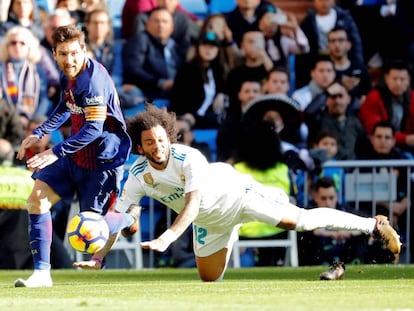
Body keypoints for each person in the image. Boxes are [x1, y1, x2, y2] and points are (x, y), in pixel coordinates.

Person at [74, 104, 401, 282]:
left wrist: (168, 237)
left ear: (168, 138)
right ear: (141, 147)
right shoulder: (138, 176)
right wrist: (100, 256)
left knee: (297, 222)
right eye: (149, 143)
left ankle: (373, 224)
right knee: (209, 279)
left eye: (161, 140)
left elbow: (192, 203)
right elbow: (117, 218)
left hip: (236, 195)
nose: (157, 146)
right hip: (210, 221)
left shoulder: (188, 158)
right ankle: (232, 230)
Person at [13, 24, 137, 288]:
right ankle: (42, 274)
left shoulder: (93, 82)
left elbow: (94, 129)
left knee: (94, 226)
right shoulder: (67, 76)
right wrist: (39, 132)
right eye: (62, 54)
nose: (68, 60)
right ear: (54, 54)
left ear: (83, 50)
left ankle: (128, 218)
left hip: (102, 162)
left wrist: (54, 151)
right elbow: (65, 106)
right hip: (74, 154)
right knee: (36, 201)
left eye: (73, 53)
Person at [122, 7, 187, 103]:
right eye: (156, 21)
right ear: (147, 25)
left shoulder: (175, 46)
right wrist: (159, 83)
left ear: (172, 27)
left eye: (165, 21)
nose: (161, 25)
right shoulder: (140, 40)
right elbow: (133, 69)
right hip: (149, 94)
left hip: (175, 92)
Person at [298, 176, 367, 267]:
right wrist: (330, 234)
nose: (328, 203)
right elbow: (304, 228)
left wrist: (349, 232)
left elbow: (366, 222)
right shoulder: (308, 213)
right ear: (315, 197)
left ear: (337, 197)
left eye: (331, 198)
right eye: (323, 198)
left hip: (344, 255)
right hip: (316, 257)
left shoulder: (344, 211)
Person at [170, 31, 227, 129]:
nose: (208, 50)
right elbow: (177, 99)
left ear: (218, 50)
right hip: (189, 118)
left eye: (212, 47)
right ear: (198, 47)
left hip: (211, 119)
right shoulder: (187, 70)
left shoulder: (219, 71)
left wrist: (221, 94)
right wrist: (185, 115)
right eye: (205, 45)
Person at [358, 59, 414, 156]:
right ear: (387, 79)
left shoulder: (412, 97)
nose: (398, 83)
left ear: (408, 80)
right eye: (394, 79)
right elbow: (374, 131)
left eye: (402, 79)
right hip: (380, 146)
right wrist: (406, 139)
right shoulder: (374, 98)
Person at [0, 26, 50, 129]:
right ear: (7, 46)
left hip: (33, 122)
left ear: (29, 46)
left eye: (22, 43)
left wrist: (33, 120)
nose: (17, 46)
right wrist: (15, 118)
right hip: (6, 121)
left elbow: (44, 99)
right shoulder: (1, 69)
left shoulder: (37, 70)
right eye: (13, 43)